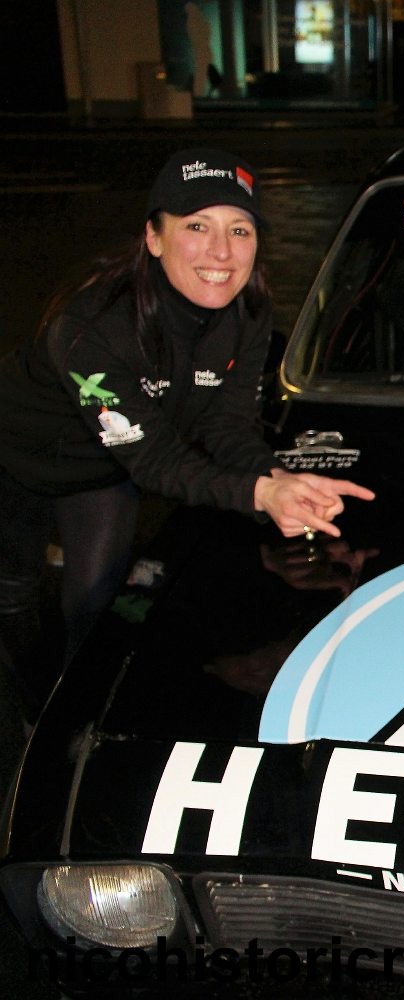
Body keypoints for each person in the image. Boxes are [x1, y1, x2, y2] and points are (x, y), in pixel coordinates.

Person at [0, 148, 374, 714]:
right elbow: (155, 460)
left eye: (239, 230)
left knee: (97, 609)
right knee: (13, 600)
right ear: (154, 237)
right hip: (15, 458)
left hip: (103, 470)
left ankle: (73, 722)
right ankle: (28, 718)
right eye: (196, 226)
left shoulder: (248, 310)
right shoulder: (88, 326)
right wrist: (258, 495)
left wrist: (277, 479)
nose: (221, 252)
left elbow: (227, 427)